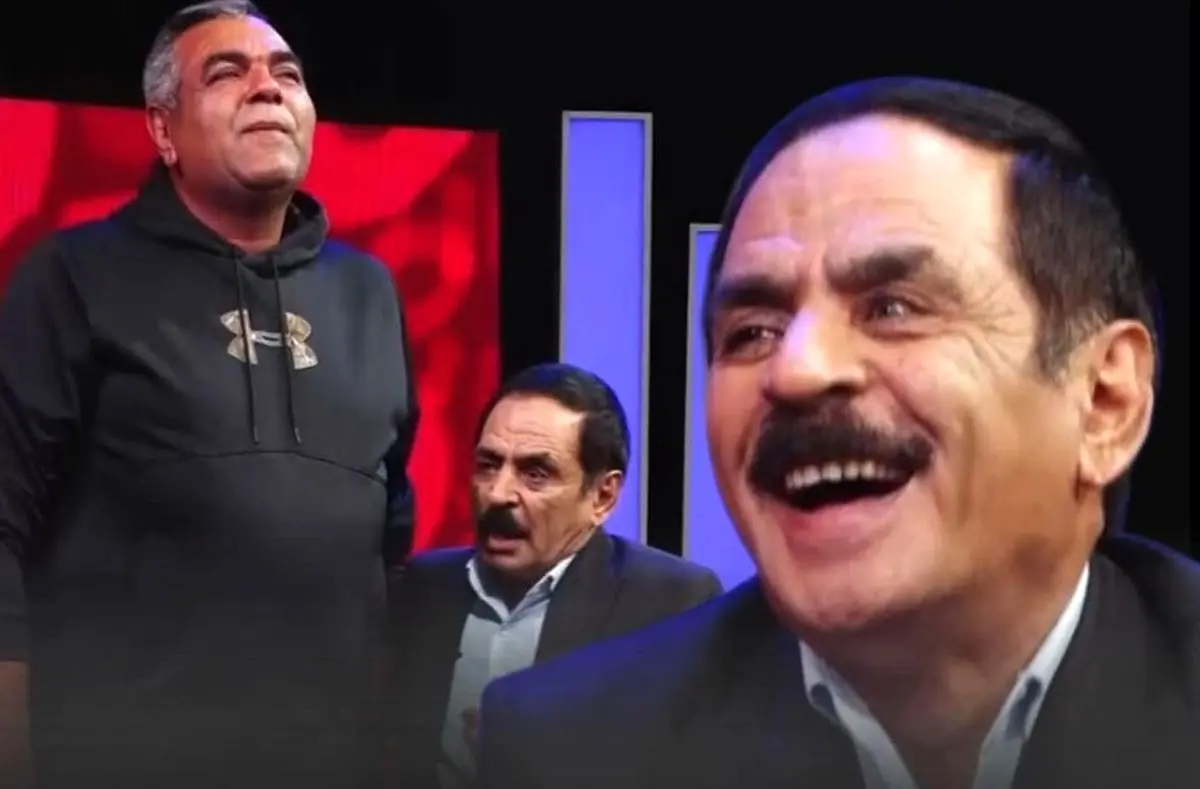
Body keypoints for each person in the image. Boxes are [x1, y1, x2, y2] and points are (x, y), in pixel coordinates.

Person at [477, 78, 1200, 789]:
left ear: (1104, 401)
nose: (795, 371)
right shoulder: (571, 752)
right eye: (753, 331)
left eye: (892, 307)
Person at [0, 3, 419, 788]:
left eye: (288, 75)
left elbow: (388, 538)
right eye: (227, 73)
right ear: (163, 131)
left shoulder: (370, 292)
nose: (268, 88)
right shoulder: (72, 277)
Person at [383, 363, 722, 789]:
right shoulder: (422, 588)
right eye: (488, 465)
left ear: (602, 496)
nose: (498, 493)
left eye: (535, 474)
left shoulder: (674, 606)